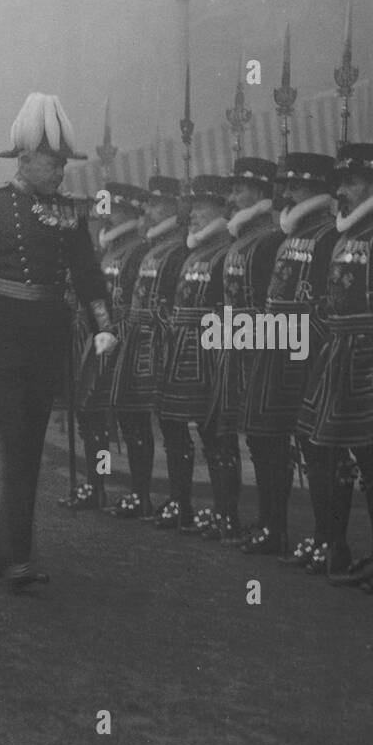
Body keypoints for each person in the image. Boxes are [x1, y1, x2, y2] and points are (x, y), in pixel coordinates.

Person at [0, 92, 117, 589]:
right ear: (26, 157)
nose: (60, 171)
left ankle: (11, 555)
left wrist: (104, 325)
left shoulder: (70, 213)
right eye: (52, 161)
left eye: (63, 162)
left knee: (29, 448)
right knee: (18, 445)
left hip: (48, 340)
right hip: (2, 340)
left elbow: (88, 275)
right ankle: (14, 559)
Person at [299, 144, 373, 591]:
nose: (341, 192)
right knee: (361, 462)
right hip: (342, 356)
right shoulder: (346, 235)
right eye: (339, 184)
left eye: (349, 183)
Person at [243, 152, 342, 570]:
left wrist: (309, 343)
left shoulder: (330, 235)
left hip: (307, 354)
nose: (287, 194)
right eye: (286, 186)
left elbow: (328, 303)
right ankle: (272, 525)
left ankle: (327, 539)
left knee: (315, 447)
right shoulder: (286, 237)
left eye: (297, 187)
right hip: (274, 349)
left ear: (319, 191)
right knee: (265, 438)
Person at [208, 158, 283, 551]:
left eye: (240, 190)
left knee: (268, 439)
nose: (232, 198)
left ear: (260, 193)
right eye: (232, 190)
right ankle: (246, 518)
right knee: (248, 438)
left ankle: (274, 524)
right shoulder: (240, 240)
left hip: (263, 349)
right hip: (235, 348)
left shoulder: (271, 239)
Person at [66, 181, 153, 511]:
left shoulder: (139, 251)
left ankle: (140, 493)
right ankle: (97, 483)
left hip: (122, 342)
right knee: (93, 420)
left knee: (131, 422)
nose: (106, 216)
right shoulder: (108, 251)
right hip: (97, 342)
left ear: (129, 212)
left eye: (113, 210)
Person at [157, 176, 234, 540]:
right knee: (172, 424)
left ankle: (226, 512)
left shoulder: (226, 251)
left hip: (211, 349)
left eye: (202, 206)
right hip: (181, 347)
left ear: (222, 209)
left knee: (215, 433)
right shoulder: (191, 253)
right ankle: (180, 502)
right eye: (192, 205)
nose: (194, 214)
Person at [110, 176, 187, 522]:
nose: (150, 211)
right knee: (133, 419)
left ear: (174, 207)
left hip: (163, 344)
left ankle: (178, 500)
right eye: (149, 205)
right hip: (137, 341)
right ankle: (141, 495)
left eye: (157, 205)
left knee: (171, 423)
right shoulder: (151, 249)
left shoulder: (178, 248)